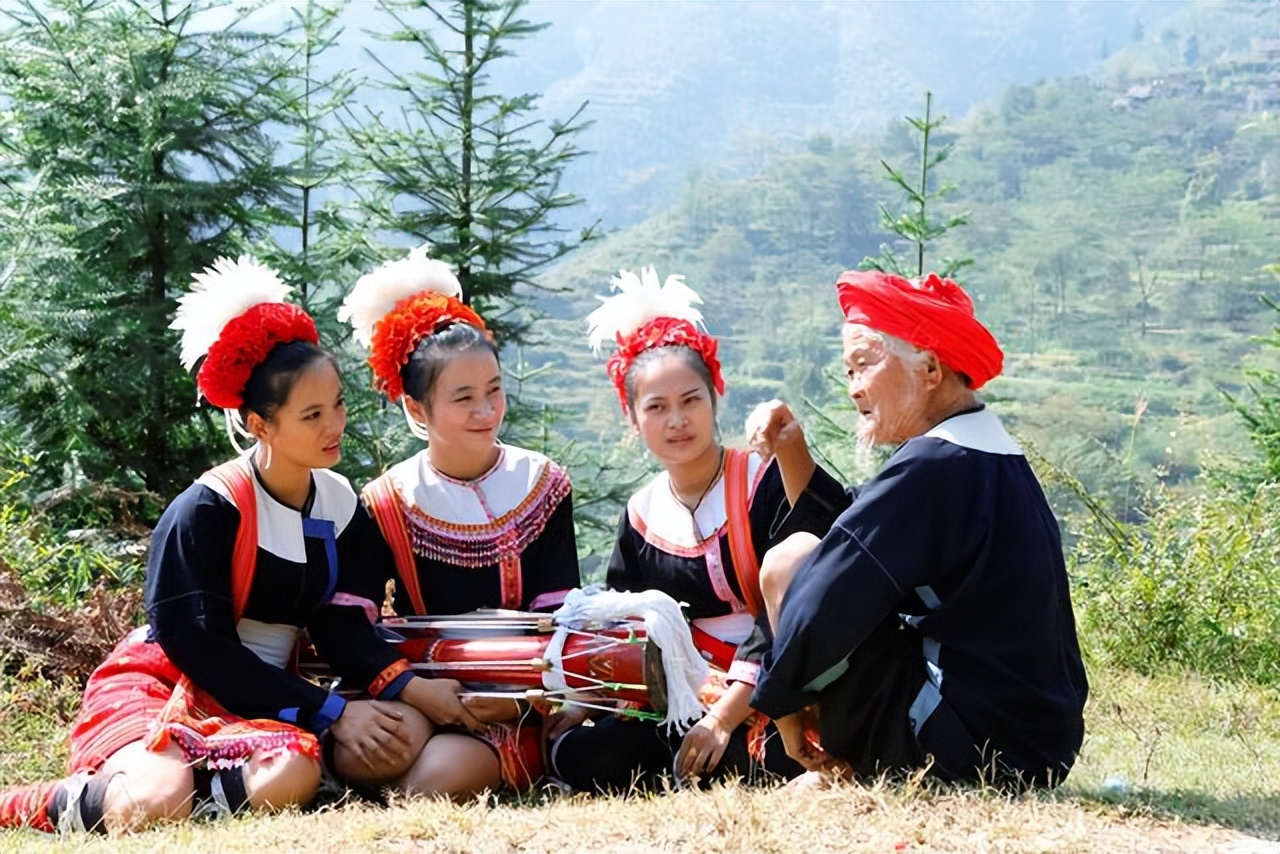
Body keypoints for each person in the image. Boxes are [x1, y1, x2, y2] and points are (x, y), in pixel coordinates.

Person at [0, 257, 462, 835]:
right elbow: (197, 644)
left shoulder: (341, 502)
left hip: (271, 699)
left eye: (338, 405)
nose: (333, 426)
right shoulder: (209, 507)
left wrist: (391, 691)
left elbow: (344, 621)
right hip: (172, 683)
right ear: (258, 424)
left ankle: (207, 789)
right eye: (312, 414)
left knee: (314, 766)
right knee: (161, 798)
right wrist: (333, 712)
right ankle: (45, 802)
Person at [750, 270, 1089, 789]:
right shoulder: (981, 450)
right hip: (1033, 742)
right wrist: (792, 450)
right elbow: (856, 538)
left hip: (972, 747)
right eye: (847, 372)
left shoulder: (935, 464)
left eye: (863, 365)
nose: (854, 389)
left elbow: (826, 586)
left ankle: (843, 768)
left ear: (929, 368)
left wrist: (781, 708)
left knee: (789, 561)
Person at [548, 266, 846, 793]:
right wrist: (584, 698)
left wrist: (725, 715)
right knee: (585, 754)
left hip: (774, 688)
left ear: (715, 398)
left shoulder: (760, 480)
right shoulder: (640, 513)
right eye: (656, 408)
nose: (677, 421)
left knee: (757, 751)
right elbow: (627, 620)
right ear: (632, 418)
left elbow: (791, 599)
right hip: (685, 695)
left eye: (691, 401)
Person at [335, 245, 581, 799]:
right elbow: (346, 622)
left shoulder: (542, 483)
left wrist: (525, 697)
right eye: (464, 398)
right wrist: (417, 693)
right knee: (361, 752)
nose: (486, 412)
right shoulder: (386, 501)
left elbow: (557, 611)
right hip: (421, 687)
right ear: (418, 411)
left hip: (514, 699)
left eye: (494, 391)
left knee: (439, 775)